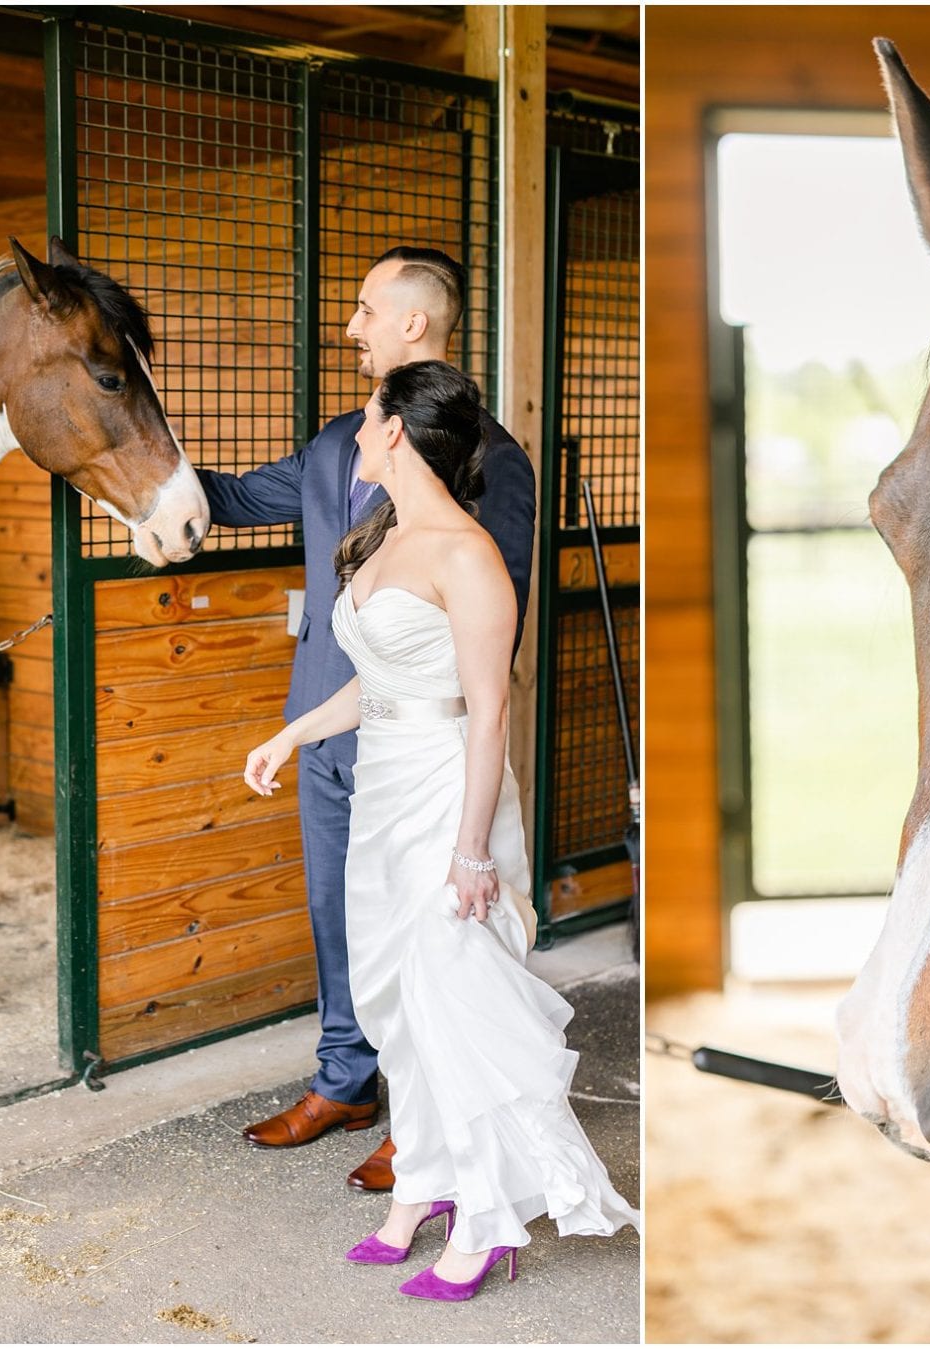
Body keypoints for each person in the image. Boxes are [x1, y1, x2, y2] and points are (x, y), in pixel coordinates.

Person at [243, 361, 638, 1299]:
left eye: (369, 418)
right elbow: (378, 679)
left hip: (447, 792)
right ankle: (420, 1185)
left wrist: (472, 850)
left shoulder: (467, 555)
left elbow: (488, 711)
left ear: (400, 435)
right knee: (399, 1005)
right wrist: (292, 732)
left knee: (452, 998)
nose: (357, 432)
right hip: (382, 788)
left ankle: (489, 1219)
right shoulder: (384, 535)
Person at [197, 247, 535, 1191]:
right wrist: (128, 461)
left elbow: (485, 650)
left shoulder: (494, 463)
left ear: (415, 324)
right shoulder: (341, 438)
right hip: (326, 726)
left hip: (419, 742)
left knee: (430, 932)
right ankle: (346, 1081)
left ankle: (421, 1107)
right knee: (341, 918)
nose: (350, 327)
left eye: (364, 311)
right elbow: (231, 498)